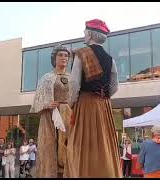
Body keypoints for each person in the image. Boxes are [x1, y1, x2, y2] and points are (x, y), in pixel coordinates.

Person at [67, 18, 121, 178]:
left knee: (80, 144)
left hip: (85, 103)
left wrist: (72, 103)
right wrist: (103, 96)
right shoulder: (111, 59)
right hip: (104, 106)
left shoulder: (80, 54)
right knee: (104, 144)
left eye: (85, 31)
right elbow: (115, 86)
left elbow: (74, 83)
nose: (83, 33)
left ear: (90, 34)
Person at [30, 44, 72, 178]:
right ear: (54, 58)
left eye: (66, 55)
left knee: (69, 145)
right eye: (60, 55)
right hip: (52, 116)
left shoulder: (73, 77)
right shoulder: (46, 78)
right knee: (52, 147)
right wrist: (47, 104)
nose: (64, 58)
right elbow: (37, 101)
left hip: (70, 115)